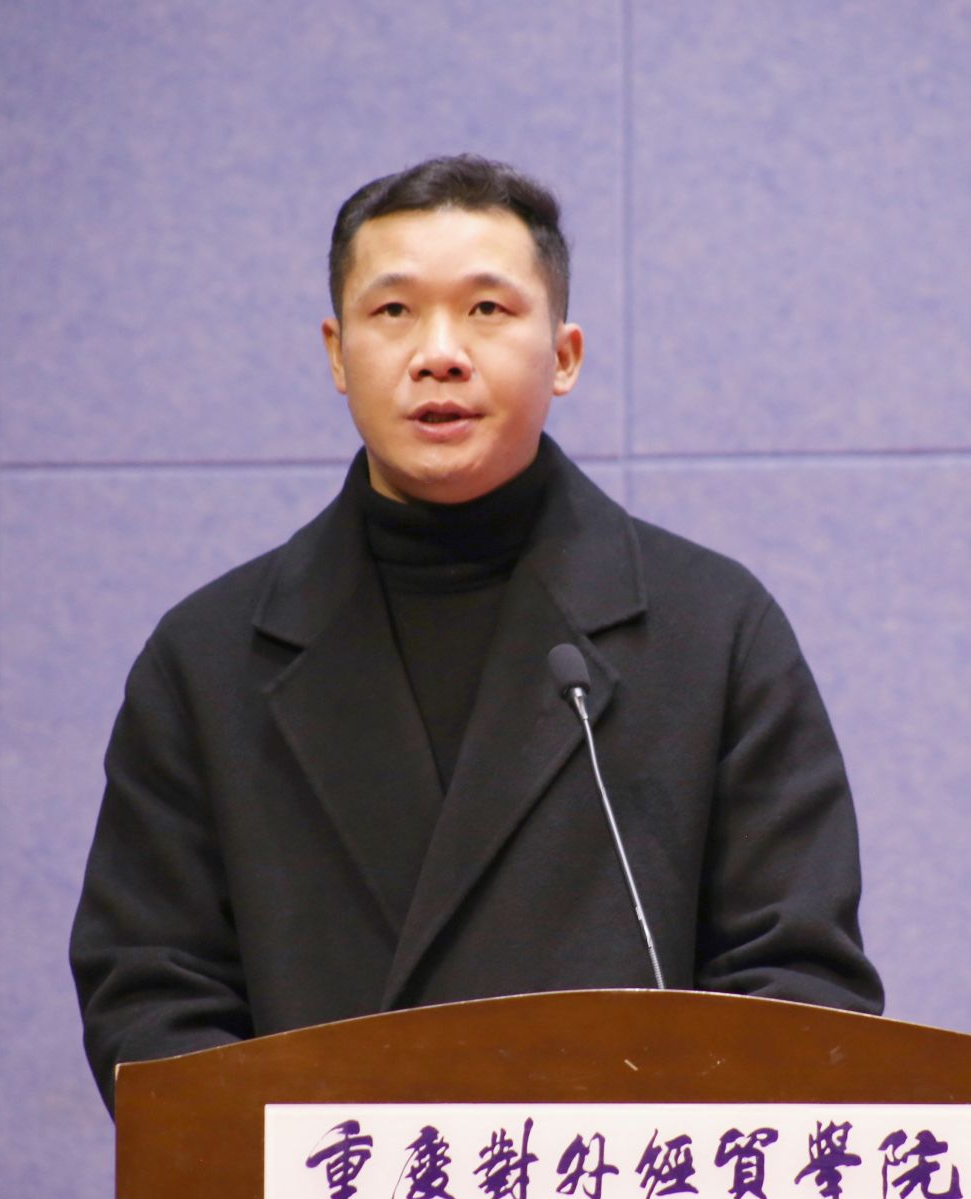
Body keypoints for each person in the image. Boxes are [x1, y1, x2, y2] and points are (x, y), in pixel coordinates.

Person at [70, 154, 883, 1114]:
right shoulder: (209, 662)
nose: (439, 353)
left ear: (565, 354)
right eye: (393, 311)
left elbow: (798, 985)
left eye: (487, 309)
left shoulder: (713, 631)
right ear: (336, 353)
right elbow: (152, 995)